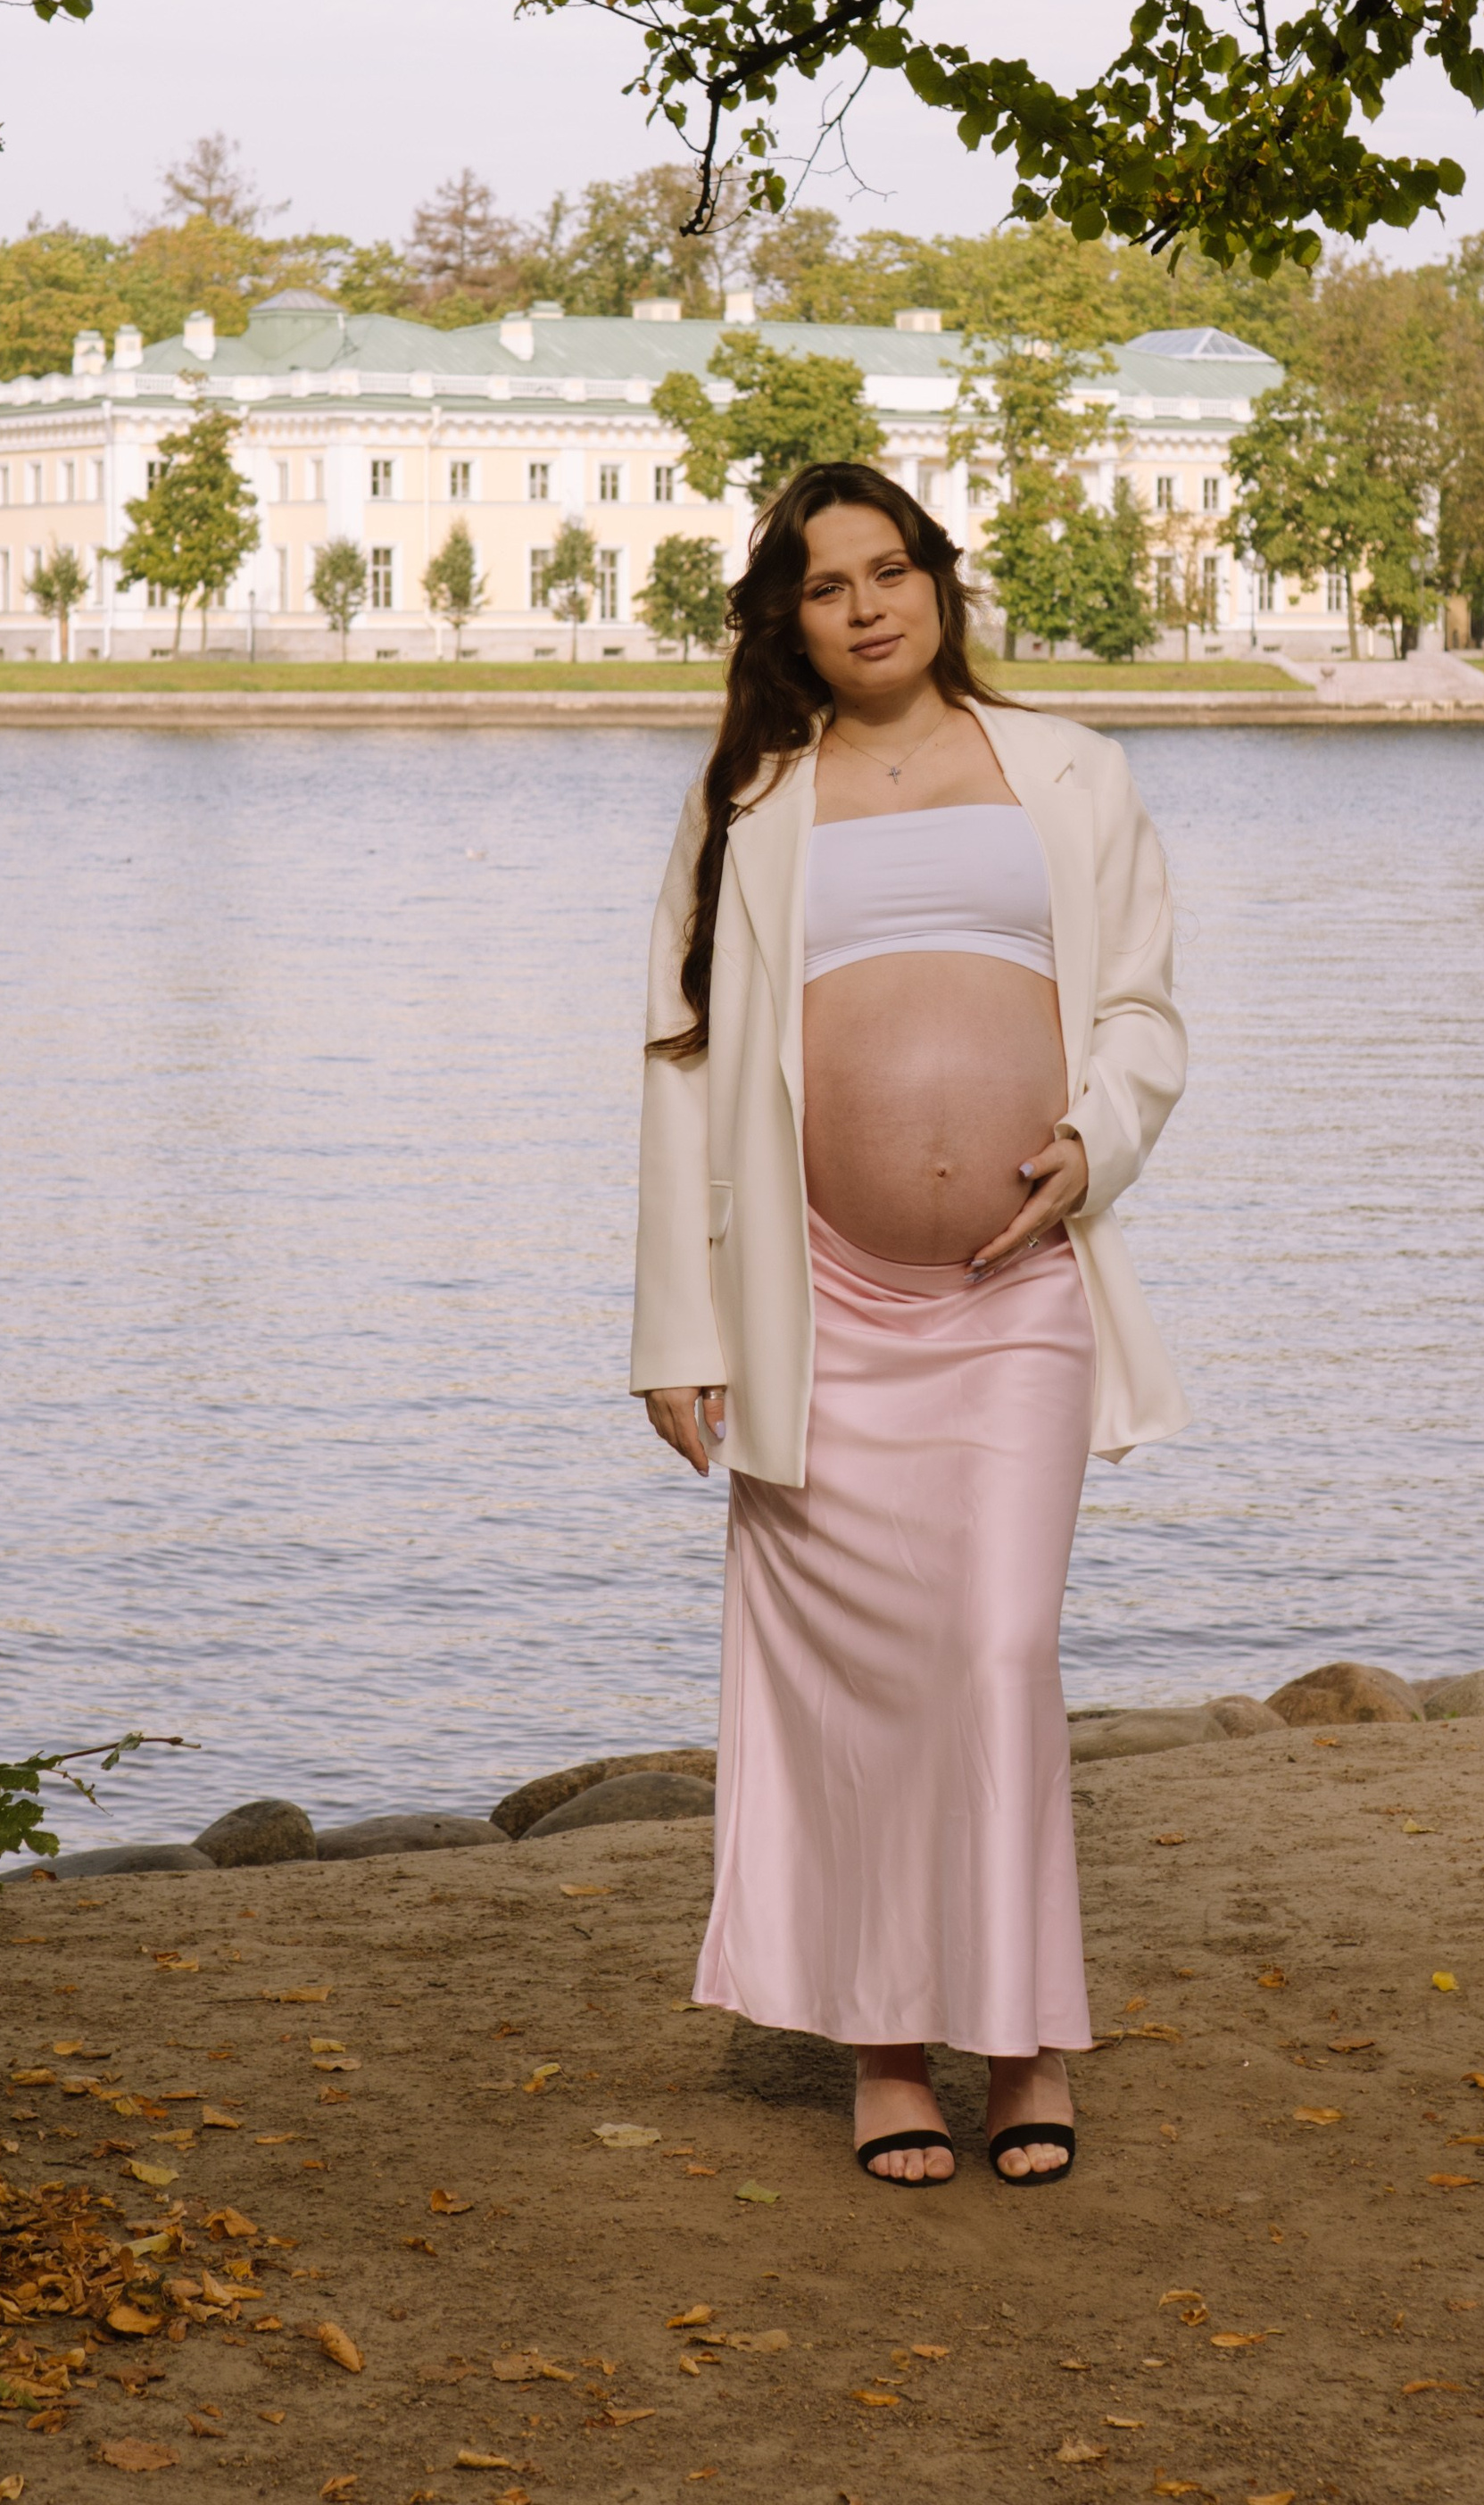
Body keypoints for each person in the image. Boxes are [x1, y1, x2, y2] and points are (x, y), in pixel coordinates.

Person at [634, 460, 1188, 2191]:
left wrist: (1093, 1140)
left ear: (938, 580)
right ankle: (887, 2050)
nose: (866, 606)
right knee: (861, 1687)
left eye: (889, 570)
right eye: (826, 585)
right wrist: (679, 1327)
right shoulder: (750, 802)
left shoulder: (1068, 773)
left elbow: (1140, 1012)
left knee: (998, 1650)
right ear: (785, 621)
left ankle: (1022, 2041)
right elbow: (679, 1063)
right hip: (817, 1305)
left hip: (1014, 1292)